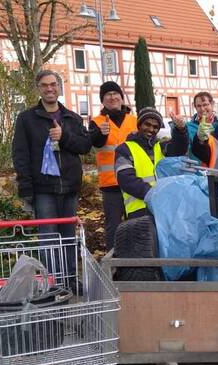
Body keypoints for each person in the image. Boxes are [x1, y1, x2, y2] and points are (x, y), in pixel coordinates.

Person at [12, 70, 91, 285]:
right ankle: (54, 282)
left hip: (69, 187)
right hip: (43, 189)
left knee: (68, 237)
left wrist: (64, 136)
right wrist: (26, 188)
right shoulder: (27, 119)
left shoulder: (72, 118)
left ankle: (71, 279)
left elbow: (85, 146)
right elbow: (20, 155)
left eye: (53, 84)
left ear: (59, 87)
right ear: (38, 88)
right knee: (48, 238)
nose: (49, 89)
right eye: (44, 85)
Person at [89, 81, 137, 250]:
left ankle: (137, 263)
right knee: (114, 228)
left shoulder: (134, 120)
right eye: (107, 94)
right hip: (111, 185)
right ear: (102, 100)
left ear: (121, 98)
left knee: (136, 225)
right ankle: (114, 266)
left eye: (115, 93)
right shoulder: (96, 122)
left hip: (134, 182)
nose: (112, 97)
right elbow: (95, 142)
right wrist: (101, 134)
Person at [115, 107, 175, 219]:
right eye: (147, 124)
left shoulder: (159, 147)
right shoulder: (124, 149)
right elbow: (125, 179)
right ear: (139, 125)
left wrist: (181, 130)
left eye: (155, 127)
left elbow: (178, 148)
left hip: (162, 207)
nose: (151, 129)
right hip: (139, 210)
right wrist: (153, 193)